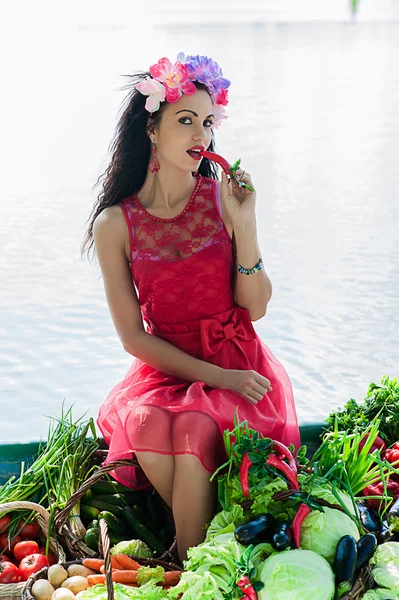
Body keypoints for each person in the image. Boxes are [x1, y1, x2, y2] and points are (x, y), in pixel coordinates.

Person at [81, 53, 301, 562]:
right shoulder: (115, 223)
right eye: (185, 120)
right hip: (165, 368)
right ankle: (200, 554)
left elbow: (257, 307)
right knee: (144, 424)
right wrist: (213, 380)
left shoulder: (224, 199)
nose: (199, 134)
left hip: (237, 363)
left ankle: (186, 561)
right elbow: (133, 339)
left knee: (197, 424)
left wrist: (245, 226)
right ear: (152, 129)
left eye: (206, 121)